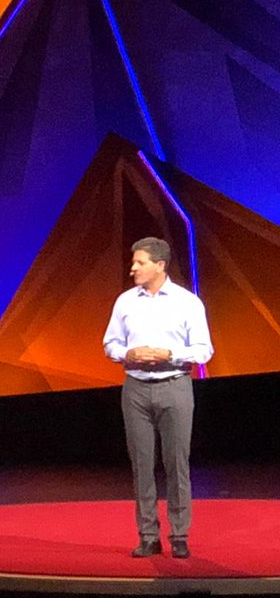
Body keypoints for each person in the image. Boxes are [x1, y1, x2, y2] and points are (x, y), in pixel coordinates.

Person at [102, 237, 213, 559]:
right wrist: (128, 353)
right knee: (142, 464)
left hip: (175, 385)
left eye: (140, 262)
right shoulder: (125, 302)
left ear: (160, 265)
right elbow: (110, 344)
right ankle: (148, 535)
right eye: (133, 262)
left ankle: (179, 535)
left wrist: (170, 354)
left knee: (177, 463)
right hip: (136, 388)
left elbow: (203, 350)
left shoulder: (187, 303)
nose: (133, 268)